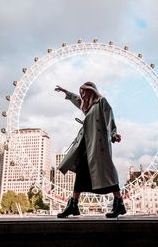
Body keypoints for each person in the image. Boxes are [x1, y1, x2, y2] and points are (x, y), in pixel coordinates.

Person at [55, 81, 126, 218]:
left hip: (98, 145)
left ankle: (119, 203)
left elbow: (109, 117)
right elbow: (77, 100)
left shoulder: (101, 102)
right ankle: (73, 204)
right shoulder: (88, 107)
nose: (82, 95)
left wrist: (113, 133)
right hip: (86, 144)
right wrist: (66, 92)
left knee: (107, 172)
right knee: (81, 172)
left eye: (84, 91)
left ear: (91, 90)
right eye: (81, 92)